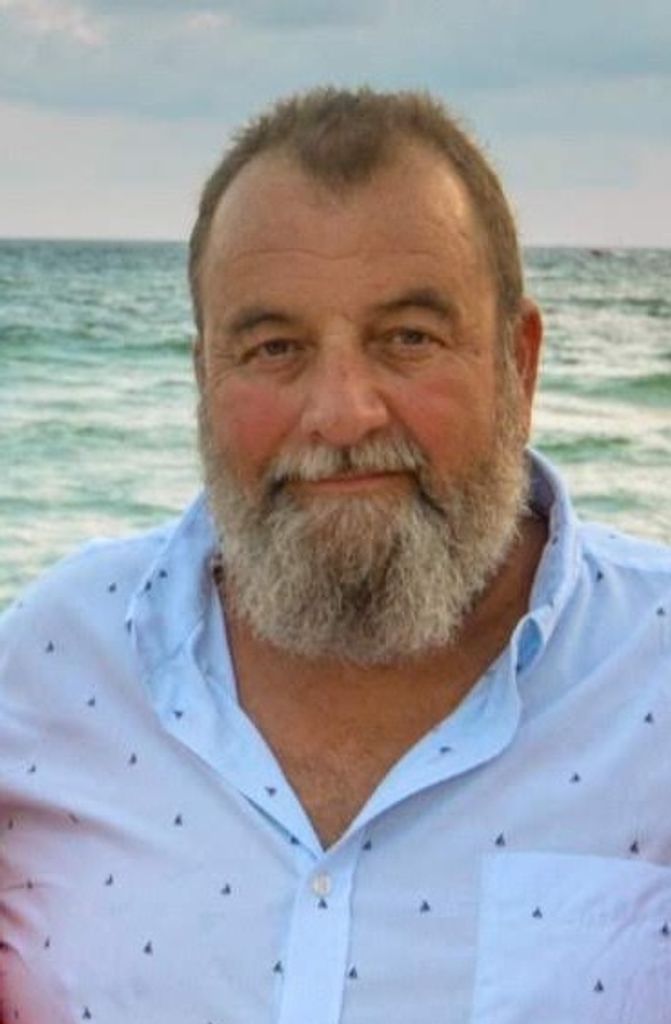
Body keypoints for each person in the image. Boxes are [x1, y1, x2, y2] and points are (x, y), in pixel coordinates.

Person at [0, 86, 669, 1024]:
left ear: (519, 363)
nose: (342, 412)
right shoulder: (48, 667)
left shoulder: (652, 678)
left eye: (408, 339)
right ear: (203, 378)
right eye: (275, 347)